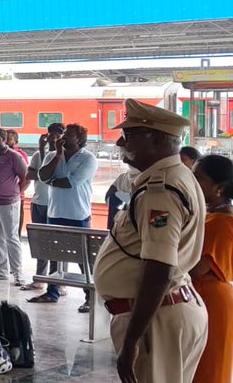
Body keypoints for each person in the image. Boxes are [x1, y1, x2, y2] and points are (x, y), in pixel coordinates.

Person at [94, 99, 206, 383]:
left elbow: (159, 267)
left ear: (156, 139)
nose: (120, 141)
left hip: (154, 320)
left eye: (129, 135)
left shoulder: (160, 190)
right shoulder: (176, 176)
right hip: (166, 309)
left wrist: (132, 339)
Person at [30, 124, 98, 307]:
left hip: (78, 215)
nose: (64, 138)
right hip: (55, 212)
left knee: (83, 259)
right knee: (55, 256)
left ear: (80, 140)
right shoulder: (53, 155)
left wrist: (52, 181)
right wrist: (57, 154)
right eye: (65, 134)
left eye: (70, 135)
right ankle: (52, 292)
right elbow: (42, 176)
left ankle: (90, 298)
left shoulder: (88, 159)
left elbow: (72, 182)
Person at [190, 154, 233, 383]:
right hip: (200, 296)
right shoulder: (209, 216)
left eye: (200, 178)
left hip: (211, 300)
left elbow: (196, 269)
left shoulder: (221, 222)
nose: (192, 180)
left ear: (220, 187)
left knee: (209, 369)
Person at [20, 123, 65, 291]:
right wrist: (41, 150)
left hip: (54, 205)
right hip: (39, 201)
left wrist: (43, 175)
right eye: (51, 135)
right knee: (40, 243)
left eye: (58, 136)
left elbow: (45, 176)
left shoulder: (64, 157)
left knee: (56, 245)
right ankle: (40, 278)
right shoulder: (39, 156)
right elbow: (31, 175)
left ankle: (58, 282)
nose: (54, 138)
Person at [0, 127, 29, 286]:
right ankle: (2, 270)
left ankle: (17, 274)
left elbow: (26, 177)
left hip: (9, 203)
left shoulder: (14, 157)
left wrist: (16, 193)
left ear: (3, 139)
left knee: (11, 238)